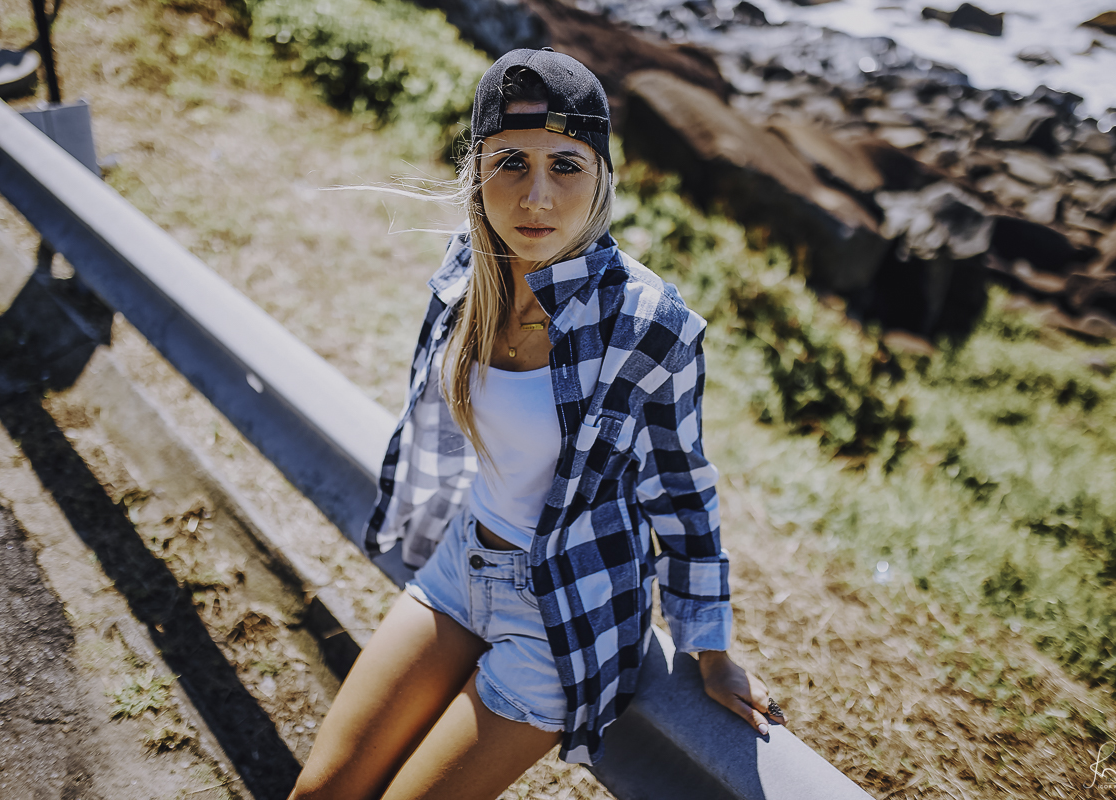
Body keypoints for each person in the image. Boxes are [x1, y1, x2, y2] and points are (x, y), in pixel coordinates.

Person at [289, 47, 787, 800]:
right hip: (463, 565)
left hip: (561, 614)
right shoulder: (466, 278)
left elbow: (682, 489)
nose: (537, 199)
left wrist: (709, 646)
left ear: (602, 178)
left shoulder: (648, 324)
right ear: (476, 170)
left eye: (566, 165)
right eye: (511, 163)